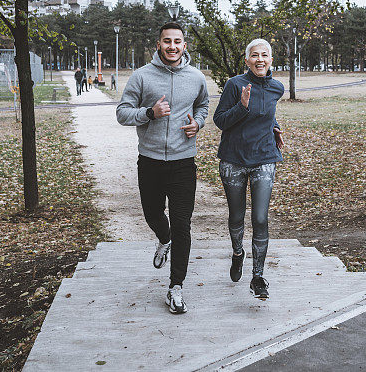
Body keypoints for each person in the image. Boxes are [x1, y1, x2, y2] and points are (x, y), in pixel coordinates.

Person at [116, 22, 210, 314]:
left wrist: (198, 123)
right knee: (153, 214)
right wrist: (149, 113)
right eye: (166, 41)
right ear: (158, 44)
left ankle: (176, 287)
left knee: (183, 223)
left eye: (177, 41)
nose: (172, 46)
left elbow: (203, 106)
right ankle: (163, 238)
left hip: (183, 161)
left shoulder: (196, 77)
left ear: (185, 45)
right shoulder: (142, 77)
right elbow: (122, 113)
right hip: (151, 161)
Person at [213, 38, 284, 300]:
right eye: (255, 55)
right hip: (233, 160)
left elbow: (268, 111)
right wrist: (242, 106)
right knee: (236, 217)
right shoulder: (235, 85)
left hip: (264, 158)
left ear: (271, 60)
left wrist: (274, 127)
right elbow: (220, 121)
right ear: (247, 60)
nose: (260, 59)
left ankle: (258, 276)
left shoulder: (277, 87)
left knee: (261, 219)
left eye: (264, 55)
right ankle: (237, 253)